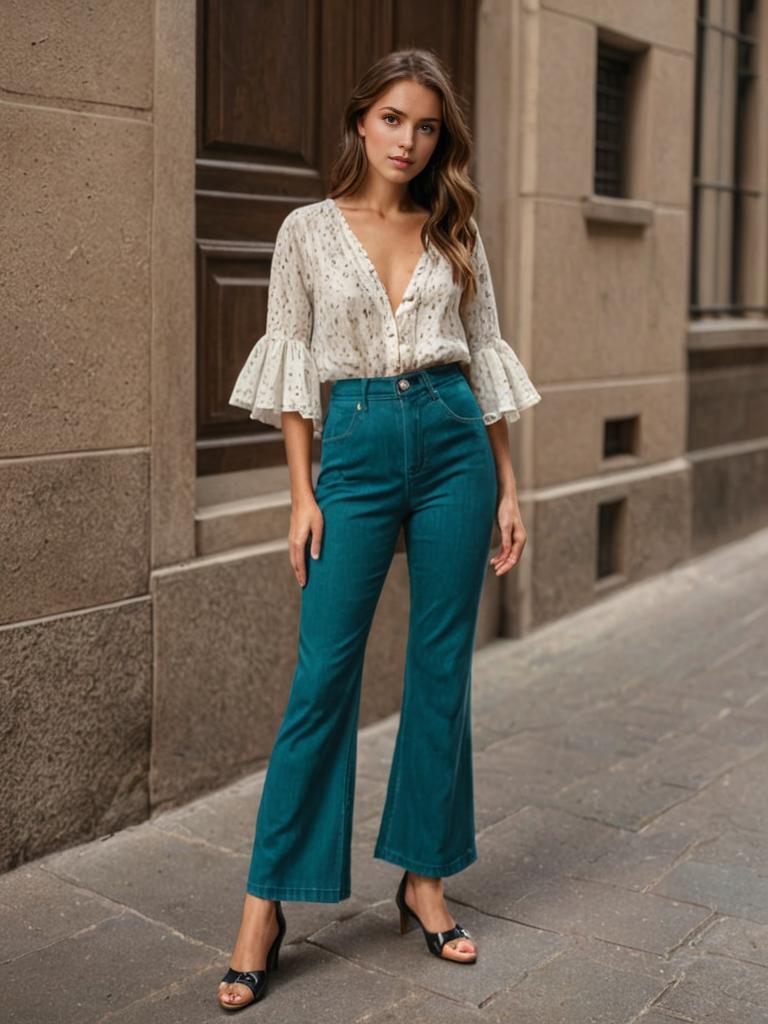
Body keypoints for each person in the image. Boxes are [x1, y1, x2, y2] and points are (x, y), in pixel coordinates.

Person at [218, 47, 542, 1010]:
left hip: (453, 446)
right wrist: (302, 492)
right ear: (362, 121)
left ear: (442, 138)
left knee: (443, 669)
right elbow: (290, 371)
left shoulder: (455, 229)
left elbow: (482, 358)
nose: (409, 140)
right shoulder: (306, 232)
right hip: (352, 451)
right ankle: (263, 906)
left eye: (427, 125)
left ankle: (425, 879)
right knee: (323, 680)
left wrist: (511, 486)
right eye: (394, 119)